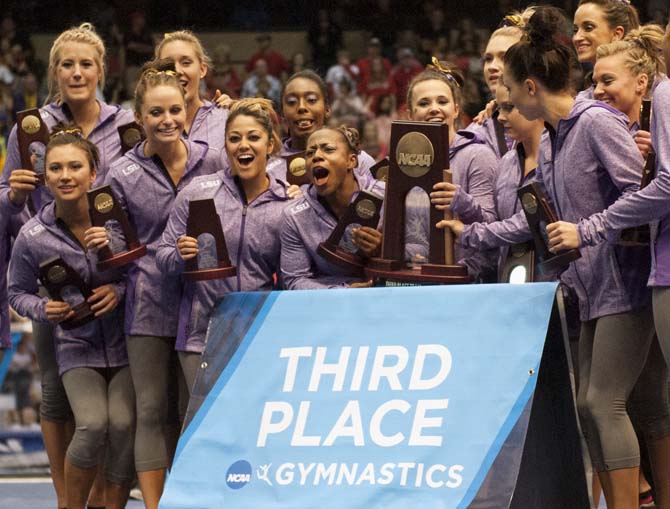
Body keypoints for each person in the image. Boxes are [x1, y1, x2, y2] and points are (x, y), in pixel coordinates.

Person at [453, 8, 660, 508]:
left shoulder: (594, 123)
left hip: (624, 283)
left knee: (602, 402)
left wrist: (586, 230)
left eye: (507, 94)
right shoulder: (551, 140)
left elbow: (642, 193)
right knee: (588, 407)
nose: (503, 103)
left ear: (529, 87)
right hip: (587, 287)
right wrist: (471, 225)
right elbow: (537, 215)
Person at [0, 23, 133, 509]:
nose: (76, 72)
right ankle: (67, 497)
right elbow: (7, 202)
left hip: (113, 273)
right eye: (67, 64)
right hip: (53, 277)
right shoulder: (29, 126)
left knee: (115, 410)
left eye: (86, 64)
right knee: (58, 396)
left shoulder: (126, 123)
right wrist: (13, 195)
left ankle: (102, 495)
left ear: (102, 70)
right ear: (53, 71)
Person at [546, 24, 670, 509]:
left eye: (606, 80)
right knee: (634, 404)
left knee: (610, 403)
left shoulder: (659, 101)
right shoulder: (634, 119)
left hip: (642, 276)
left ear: (641, 80)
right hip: (648, 273)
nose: (596, 91)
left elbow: (659, 191)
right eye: (592, 82)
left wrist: (591, 228)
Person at [104, 60, 224, 509]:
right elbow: (115, 248)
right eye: (156, 113)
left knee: (193, 410)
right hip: (149, 303)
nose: (167, 120)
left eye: (174, 110)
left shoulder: (213, 158)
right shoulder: (120, 174)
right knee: (151, 412)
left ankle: (197, 498)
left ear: (187, 111)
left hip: (203, 302)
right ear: (139, 118)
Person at [156, 98, 289, 392]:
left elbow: (294, 277)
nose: (244, 145)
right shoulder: (197, 193)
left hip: (259, 334)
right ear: (225, 145)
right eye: (234, 138)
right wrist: (180, 254)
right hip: (200, 335)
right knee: (204, 430)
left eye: (254, 137)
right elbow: (163, 258)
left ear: (270, 145)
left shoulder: (287, 204)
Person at [404, 60, 498, 280]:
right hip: (413, 277)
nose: (434, 108)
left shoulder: (477, 155)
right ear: (410, 113)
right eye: (424, 103)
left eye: (442, 101)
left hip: (465, 280)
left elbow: (492, 228)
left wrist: (461, 201)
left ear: (456, 109)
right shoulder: (403, 163)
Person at [280, 125, 384, 289]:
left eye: (328, 149)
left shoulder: (386, 196)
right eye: (310, 153)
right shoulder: (293, 215)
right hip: (330, 304)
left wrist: (384, 250)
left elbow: (419, 252)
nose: (316, 156)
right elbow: (295, 279)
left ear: (351, 161)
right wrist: (342, 292)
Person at [268, 70, 375, 186]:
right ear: (282, 113)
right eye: (292, 102)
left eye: (311, 100)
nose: (301, 107)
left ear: (327, 109)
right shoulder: (269, 167)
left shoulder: (358, 160)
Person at [467, 7, 537, 159]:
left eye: (504, 57)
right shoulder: (479, 127)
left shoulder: (555, 118)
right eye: (488, 59)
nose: (492, 66)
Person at [155, 30, 229, 153]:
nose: (177, 70)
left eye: (186, 63)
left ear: (202, 69)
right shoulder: (145, 126)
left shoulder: (226, 119)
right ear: (157, 72)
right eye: (168, 65)